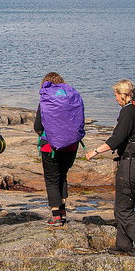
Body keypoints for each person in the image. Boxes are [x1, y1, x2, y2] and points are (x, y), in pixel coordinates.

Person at [85, 79, 135, 259]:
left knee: (122, 209)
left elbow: (117, 138)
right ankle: (123, 245)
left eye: (116, 94)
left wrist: (95, 151)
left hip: (132, 165)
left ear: (123, 94)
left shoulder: (127, 111)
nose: (115, 98)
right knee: (126, 205)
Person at [34, 72, 85, 226]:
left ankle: (56, 216)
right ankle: (63, 214)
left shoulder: (46, 101)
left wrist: (46, 134)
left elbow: (37, 126)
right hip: (70, 146)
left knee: (51, 180)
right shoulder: (71, 98)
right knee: (62, 176)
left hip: (50, 147)